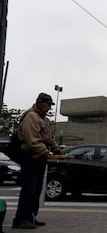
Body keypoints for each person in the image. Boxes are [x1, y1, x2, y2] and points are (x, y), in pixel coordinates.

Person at [13, 93, 63, 229]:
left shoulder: (44, 119)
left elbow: (49, 138)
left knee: (37, 189)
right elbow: (32, 139)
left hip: (40, 158)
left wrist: (57, 149)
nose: (48, 108)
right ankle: (20, 219)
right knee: (29, 188)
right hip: (30, 156)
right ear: (40, 103)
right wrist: (45, 151)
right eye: (47, 105)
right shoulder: (31, 116)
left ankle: (31, 217)